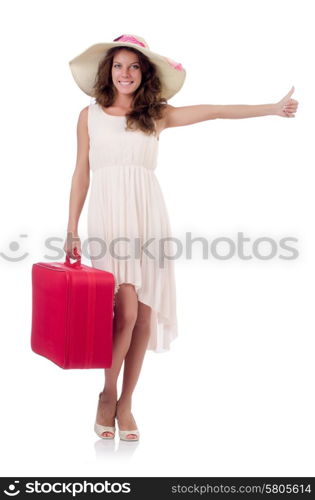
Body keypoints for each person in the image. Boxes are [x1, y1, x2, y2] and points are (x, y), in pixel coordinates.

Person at [64, 34, 298, 442]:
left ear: (144, 73)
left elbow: (217, 111)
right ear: (108, 71)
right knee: (126, 311)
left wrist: (272, 109)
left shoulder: (155, 114)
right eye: (119, 65)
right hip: (108, 218)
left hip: (148, 215)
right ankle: (107, 393)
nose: (125, 73)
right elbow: (81, 172)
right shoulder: (89, 115)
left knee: (144, 314)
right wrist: (71, 226)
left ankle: (127, 404)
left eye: (134, 66)